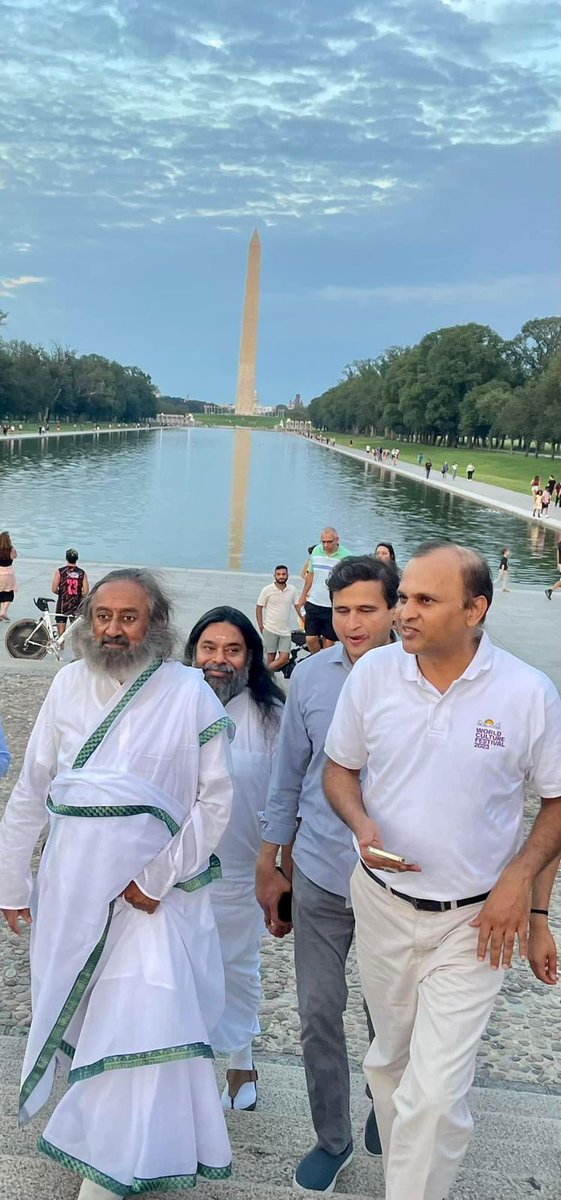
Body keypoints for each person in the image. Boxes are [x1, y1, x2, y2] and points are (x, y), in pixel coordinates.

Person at [323, 541, 561, 1200]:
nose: (403, 612)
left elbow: (556, 800)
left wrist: (521, 885)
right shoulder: (372, 676)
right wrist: (360, 824)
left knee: (435, 1091)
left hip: (475, 921)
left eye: (424, 599)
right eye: (402, 597)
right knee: (390, 1063)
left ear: (475, 608)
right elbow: (338, 770)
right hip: (379, 902)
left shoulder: (526, 694)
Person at [0, 568, 234, 1199]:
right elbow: (33, 787)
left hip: (150, 899)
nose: (112, 628)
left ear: (154, 623)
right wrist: (11, 879)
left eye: (128, 617)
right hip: (71, 885)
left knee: (144, 1015)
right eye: (102, 615)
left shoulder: (188, 692)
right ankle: (103, 1135)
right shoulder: (68, 683)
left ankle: (108, 1171)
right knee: (84, 1013)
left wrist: (158, 878)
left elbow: (214, 802)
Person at [257, 555, 401, 1193]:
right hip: (318, 870)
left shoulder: (421, 677)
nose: (352, 623)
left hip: (395, 884)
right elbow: (289, 774)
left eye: (367, 609)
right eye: (342, 611)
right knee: (319, 1011)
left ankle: (386, 1098)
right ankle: (332, 1137)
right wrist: (272, 857)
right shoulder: (313, 678)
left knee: (389, 1015)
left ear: (396, 609)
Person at [184, 607, 284, 1113]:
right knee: (180, 973)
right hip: (176, 873)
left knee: (236, 969)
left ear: (250, 658)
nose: (218, 661)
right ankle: (185, 1071)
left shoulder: (272, 719)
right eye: (208, 648)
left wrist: (281, 869)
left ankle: (241, 1061)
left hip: (244, 871)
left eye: (231, 650)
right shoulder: (171, 705)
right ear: (193, 652)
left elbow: (290, 798)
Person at [298, 527, 352, 654]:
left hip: (331, 605)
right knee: (310, 638)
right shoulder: (316, 551)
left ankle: (323, 663)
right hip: (314, 601)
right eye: (323, 542)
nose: (326, 545)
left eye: (329, 541)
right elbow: (310, 575)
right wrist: (303, 596)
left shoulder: (347, 557)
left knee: (329, 641)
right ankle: (317, 659)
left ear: (337, 540)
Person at [256, 566, 301, 673]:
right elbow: (259, 608)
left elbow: (298, 607)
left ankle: (263, 674)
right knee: (270, 657)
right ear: (274, 576)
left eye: (283, 574)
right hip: (270, 629)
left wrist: (305, 619)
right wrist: (261, 627)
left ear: (287, 576)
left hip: (285, 631)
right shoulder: (267, 590)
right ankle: (268, 683)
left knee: (284, 658)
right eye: (279, 574)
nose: (281, 576)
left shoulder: (292, 590)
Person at [51, 548, 90, 637]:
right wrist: (77, 595)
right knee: (76, 634)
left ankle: (61, 648)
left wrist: (62, 594)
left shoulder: (60, 571)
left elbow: (53, 589)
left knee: (61, 635)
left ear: (66, 558)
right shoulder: (82, 573)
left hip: (62, 604)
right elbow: (86, 592)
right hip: (76, 605)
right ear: (77, 559)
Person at [0, 530, 17, 622]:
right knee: (9, 593)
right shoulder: (11, 549)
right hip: (8, 575)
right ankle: (4, 611)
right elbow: (15, 556)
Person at [545, 535, 561, 600]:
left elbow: (557, 554)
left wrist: (558, 564)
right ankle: (550, 591)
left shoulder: (559, 544)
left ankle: (550, 591)